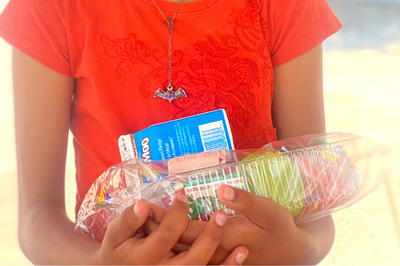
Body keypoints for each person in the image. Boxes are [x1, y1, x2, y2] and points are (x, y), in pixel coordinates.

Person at [0, 0, 341, 264]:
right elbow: (37, 216)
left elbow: (318, 215)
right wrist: (98, 263)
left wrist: (294, 250)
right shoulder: (52, 8)